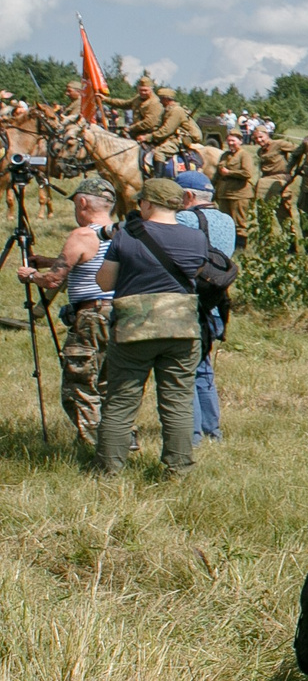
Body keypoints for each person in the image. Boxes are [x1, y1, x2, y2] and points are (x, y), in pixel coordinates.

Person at [91, 177, 208, 478]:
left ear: (147, 203)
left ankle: (109, 471)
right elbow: (193, 272)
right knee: (178, 402)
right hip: (182, 329)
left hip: (134, 329)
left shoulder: (125, 237)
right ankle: (179, 469)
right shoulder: (196, 238)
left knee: (121, 401)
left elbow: (103, 283)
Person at [17, 179, 115, 452]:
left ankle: (95, 447)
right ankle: (120, 440)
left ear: (83, 202)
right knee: (110, 383)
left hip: (90, 317)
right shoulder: (118, 233)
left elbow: (52, 281)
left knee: (78, 385)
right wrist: (50, 260)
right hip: (120, 315)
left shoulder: (81, 235)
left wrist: (31, 275)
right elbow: (89, 260)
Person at [172, 171, 235, 441]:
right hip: (215, 303)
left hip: (190, 303)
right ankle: (212, 429)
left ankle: (193, 434)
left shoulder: (184, 219)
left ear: (187, 196)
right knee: (203, 368)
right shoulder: (228, 220)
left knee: (184, 371)